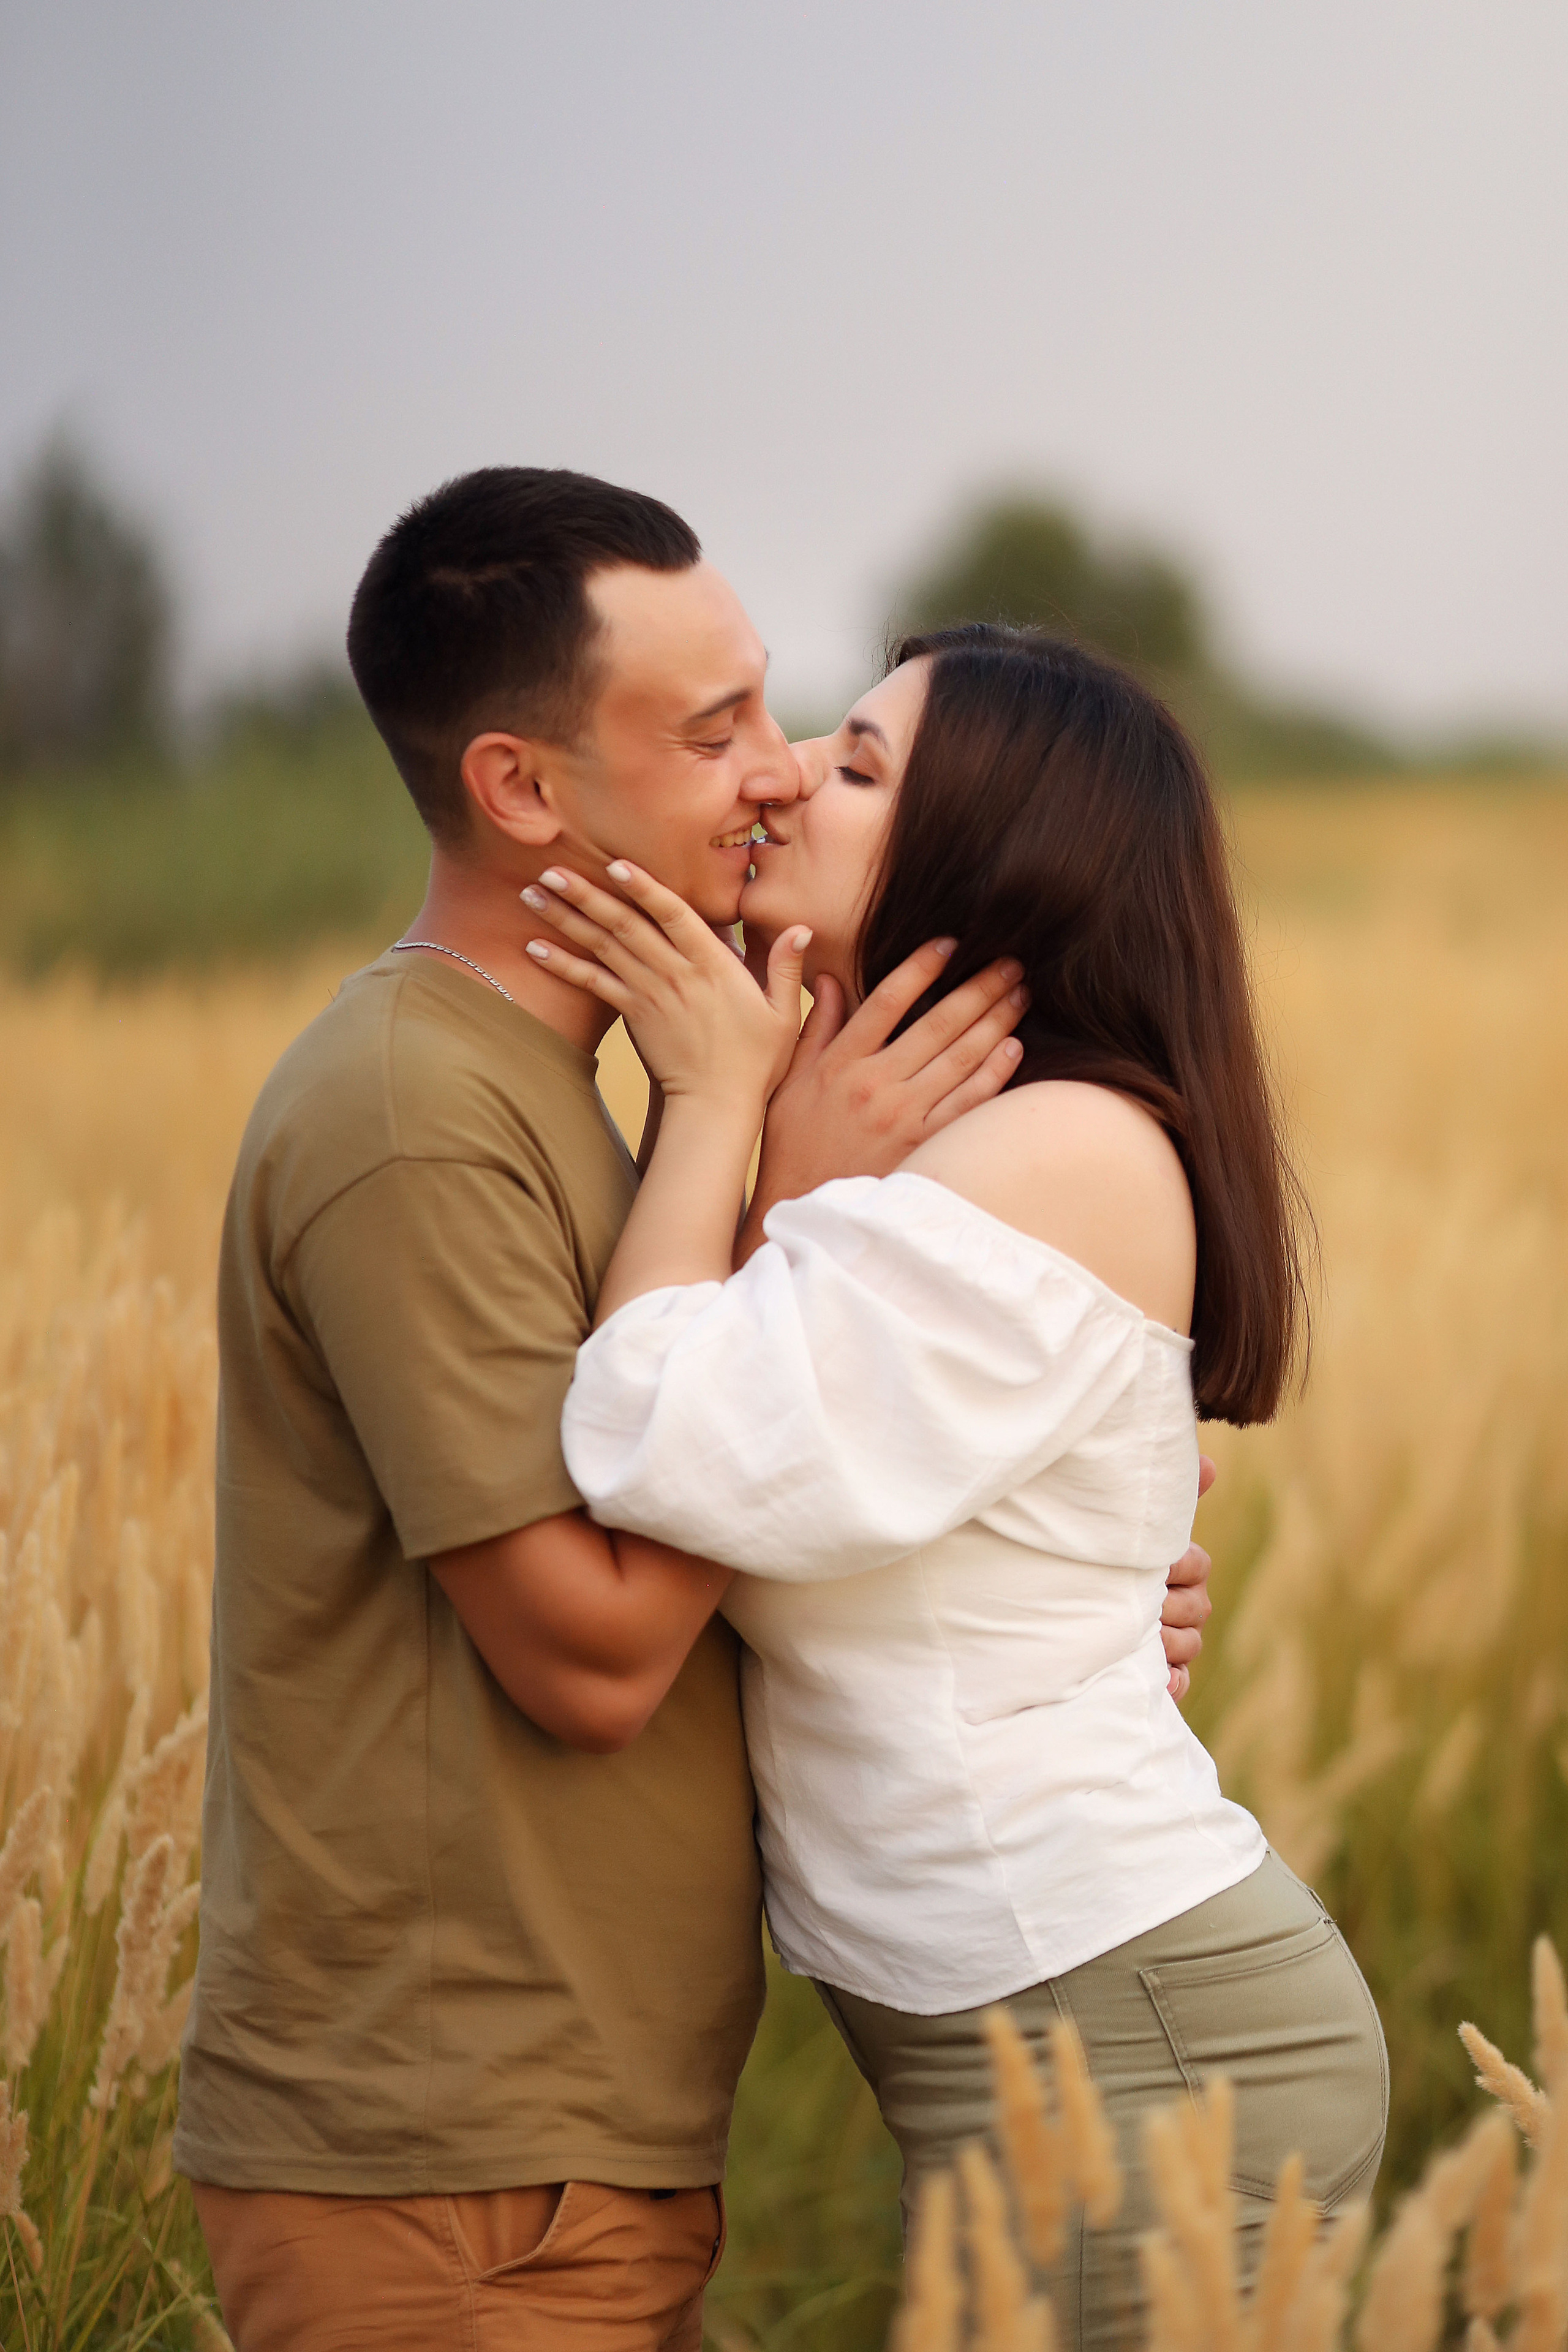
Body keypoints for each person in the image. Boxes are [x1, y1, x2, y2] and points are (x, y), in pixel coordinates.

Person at [176, 470, 1210, 2352]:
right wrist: (759, 1170)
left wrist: (1022, 1596)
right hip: (441, 2166)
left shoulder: (572, 1110)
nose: (778, 771)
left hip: (574, 2150)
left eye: (775, 705)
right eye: (713, 726)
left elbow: (706, 1480)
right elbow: (594, 1653)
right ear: (523, 789)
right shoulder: (418, 1113)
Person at [524, 625, 1389, 2349]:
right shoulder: (950, 1153)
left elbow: (655, 1443)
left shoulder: (1053, 1149)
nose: (784, 784)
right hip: (1075, 2024)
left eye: (856, 766)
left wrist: (721, 1119)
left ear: (997, 849)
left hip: (1134, 2036)